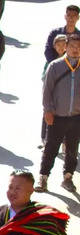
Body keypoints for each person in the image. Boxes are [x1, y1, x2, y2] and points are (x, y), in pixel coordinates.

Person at [41, 36, 80, 192]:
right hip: (57, 116)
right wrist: (48, 110)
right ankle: (43, 177)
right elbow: (47, 91)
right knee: (51, 147)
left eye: (79, 46)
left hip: (76, 117)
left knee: (72, 149)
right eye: (72, 46)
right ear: (65, 47)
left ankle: (68, 177)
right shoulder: (55, 66)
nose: (76, 49)